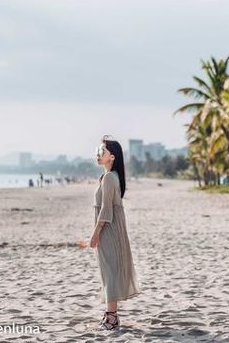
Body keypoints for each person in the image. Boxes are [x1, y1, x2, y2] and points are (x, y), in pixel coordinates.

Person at [91, 134, 141, 330]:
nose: (98, 154)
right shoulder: (108, 176)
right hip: (111, 226)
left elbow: (106, 209)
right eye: (98, 151)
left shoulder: (110, 177)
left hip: (109, 228)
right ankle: (111, 315)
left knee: (110, 271)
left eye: (102, 152)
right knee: (109, 270)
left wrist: (95, 233)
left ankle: (111, 317)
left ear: (112, 157)